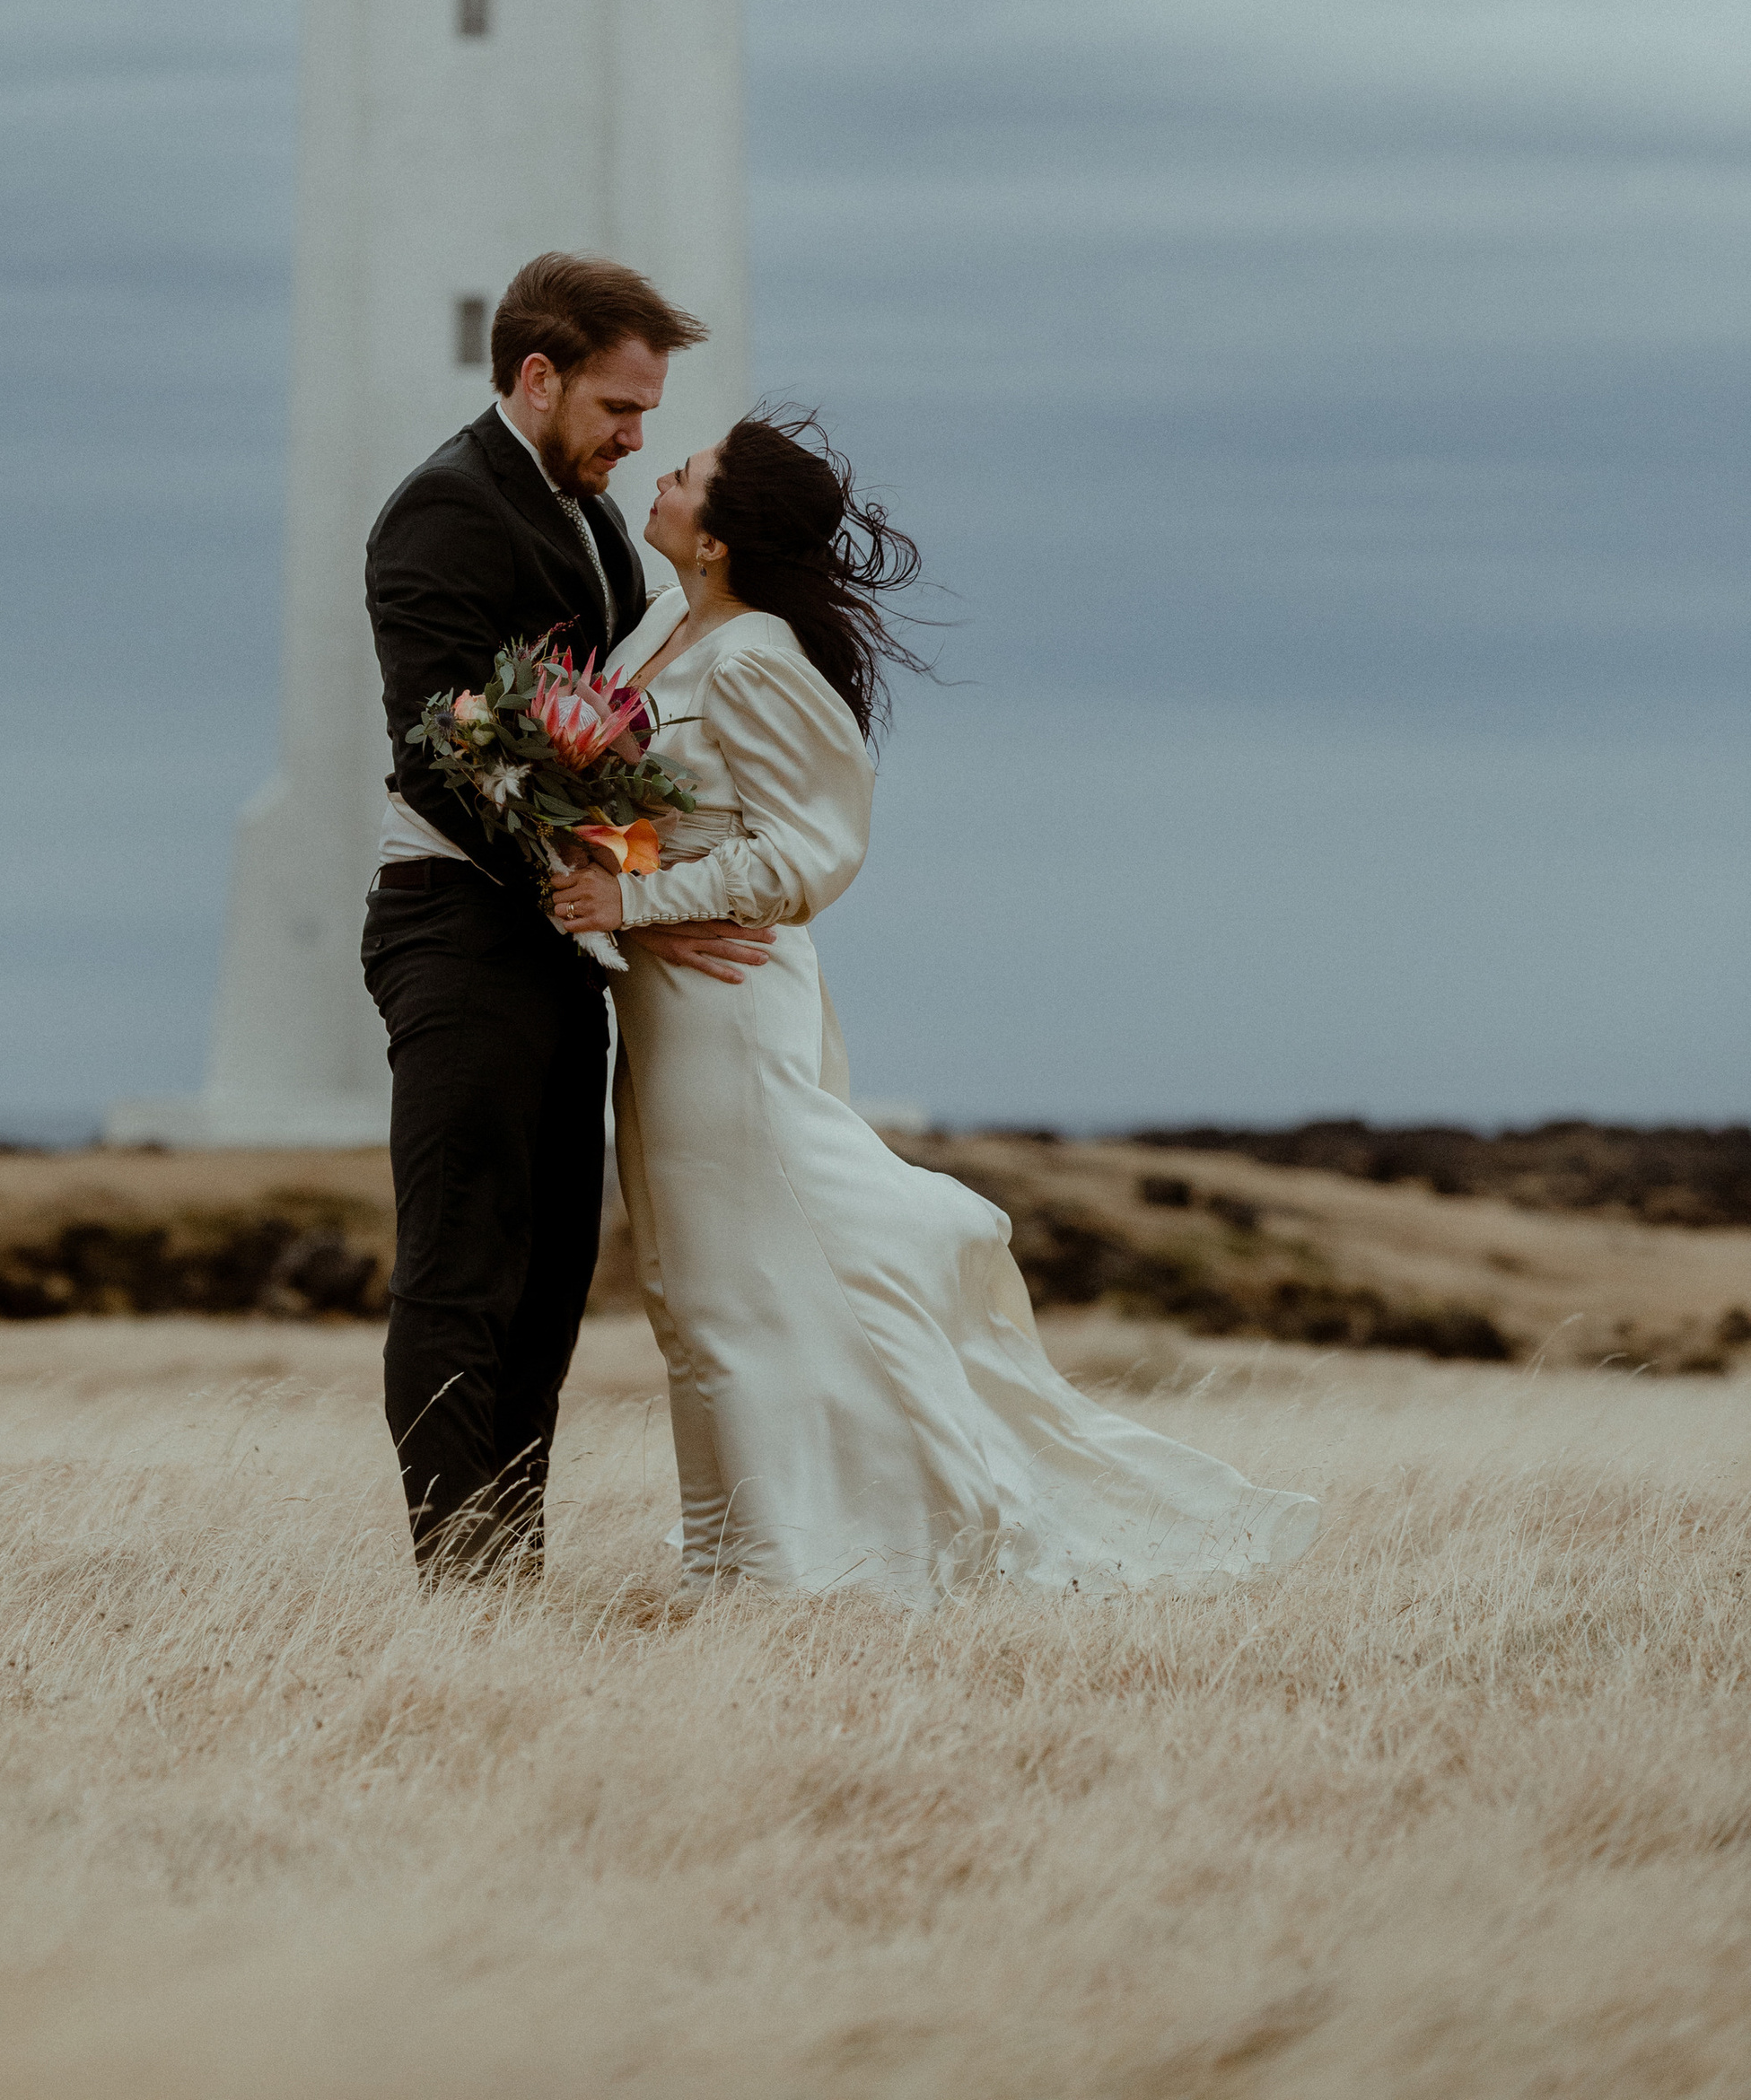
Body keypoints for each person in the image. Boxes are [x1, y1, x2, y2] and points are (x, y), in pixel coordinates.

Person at [546, 411, 1319, 1606]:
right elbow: (656, 807)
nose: (663, 473)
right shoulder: (663, 633)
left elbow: (814, 854)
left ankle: (781, 1574)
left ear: (718, 537)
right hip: (664, 1002)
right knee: (685, 1286)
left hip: (728, 1008)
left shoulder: (753, 658)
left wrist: (635, 896)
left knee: (732, 1288)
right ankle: (731, 1560)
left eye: (687, 472)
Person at [362, 251, 771, 1579]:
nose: (637, 438)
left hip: (552, 939)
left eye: (649, 414)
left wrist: (627, 888)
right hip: (454, 924)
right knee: (462, 1265)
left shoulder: (594, 522)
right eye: (618, 407)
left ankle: (508, 1569)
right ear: (537, 379)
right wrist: (624, 896)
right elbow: (440, 756)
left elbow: (587, 737)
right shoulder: (441, 510)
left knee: (543, 1287)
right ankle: (461, 1582)